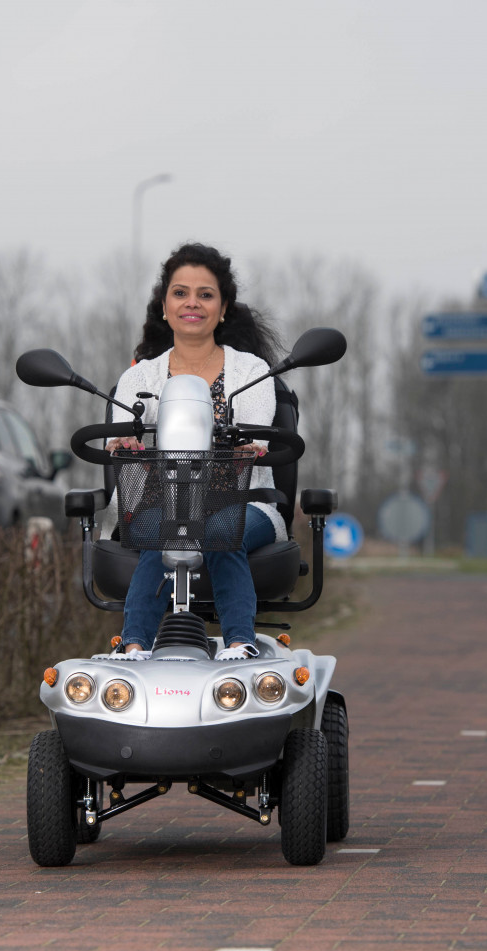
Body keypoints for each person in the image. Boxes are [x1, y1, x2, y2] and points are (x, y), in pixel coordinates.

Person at [101, 242, 286, 660]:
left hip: (245, 503)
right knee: (166, 527)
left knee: (220, 529)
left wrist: (250, 446)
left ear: (223, 309)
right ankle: (133, 648)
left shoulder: (252, 372)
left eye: (206, 295)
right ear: (164, 307)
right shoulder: (140, 375)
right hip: (163, 504)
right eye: (180, 293)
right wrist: (124, 440)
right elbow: (118, 428)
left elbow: (258, 435)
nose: (193, 303)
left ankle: (241, 644)